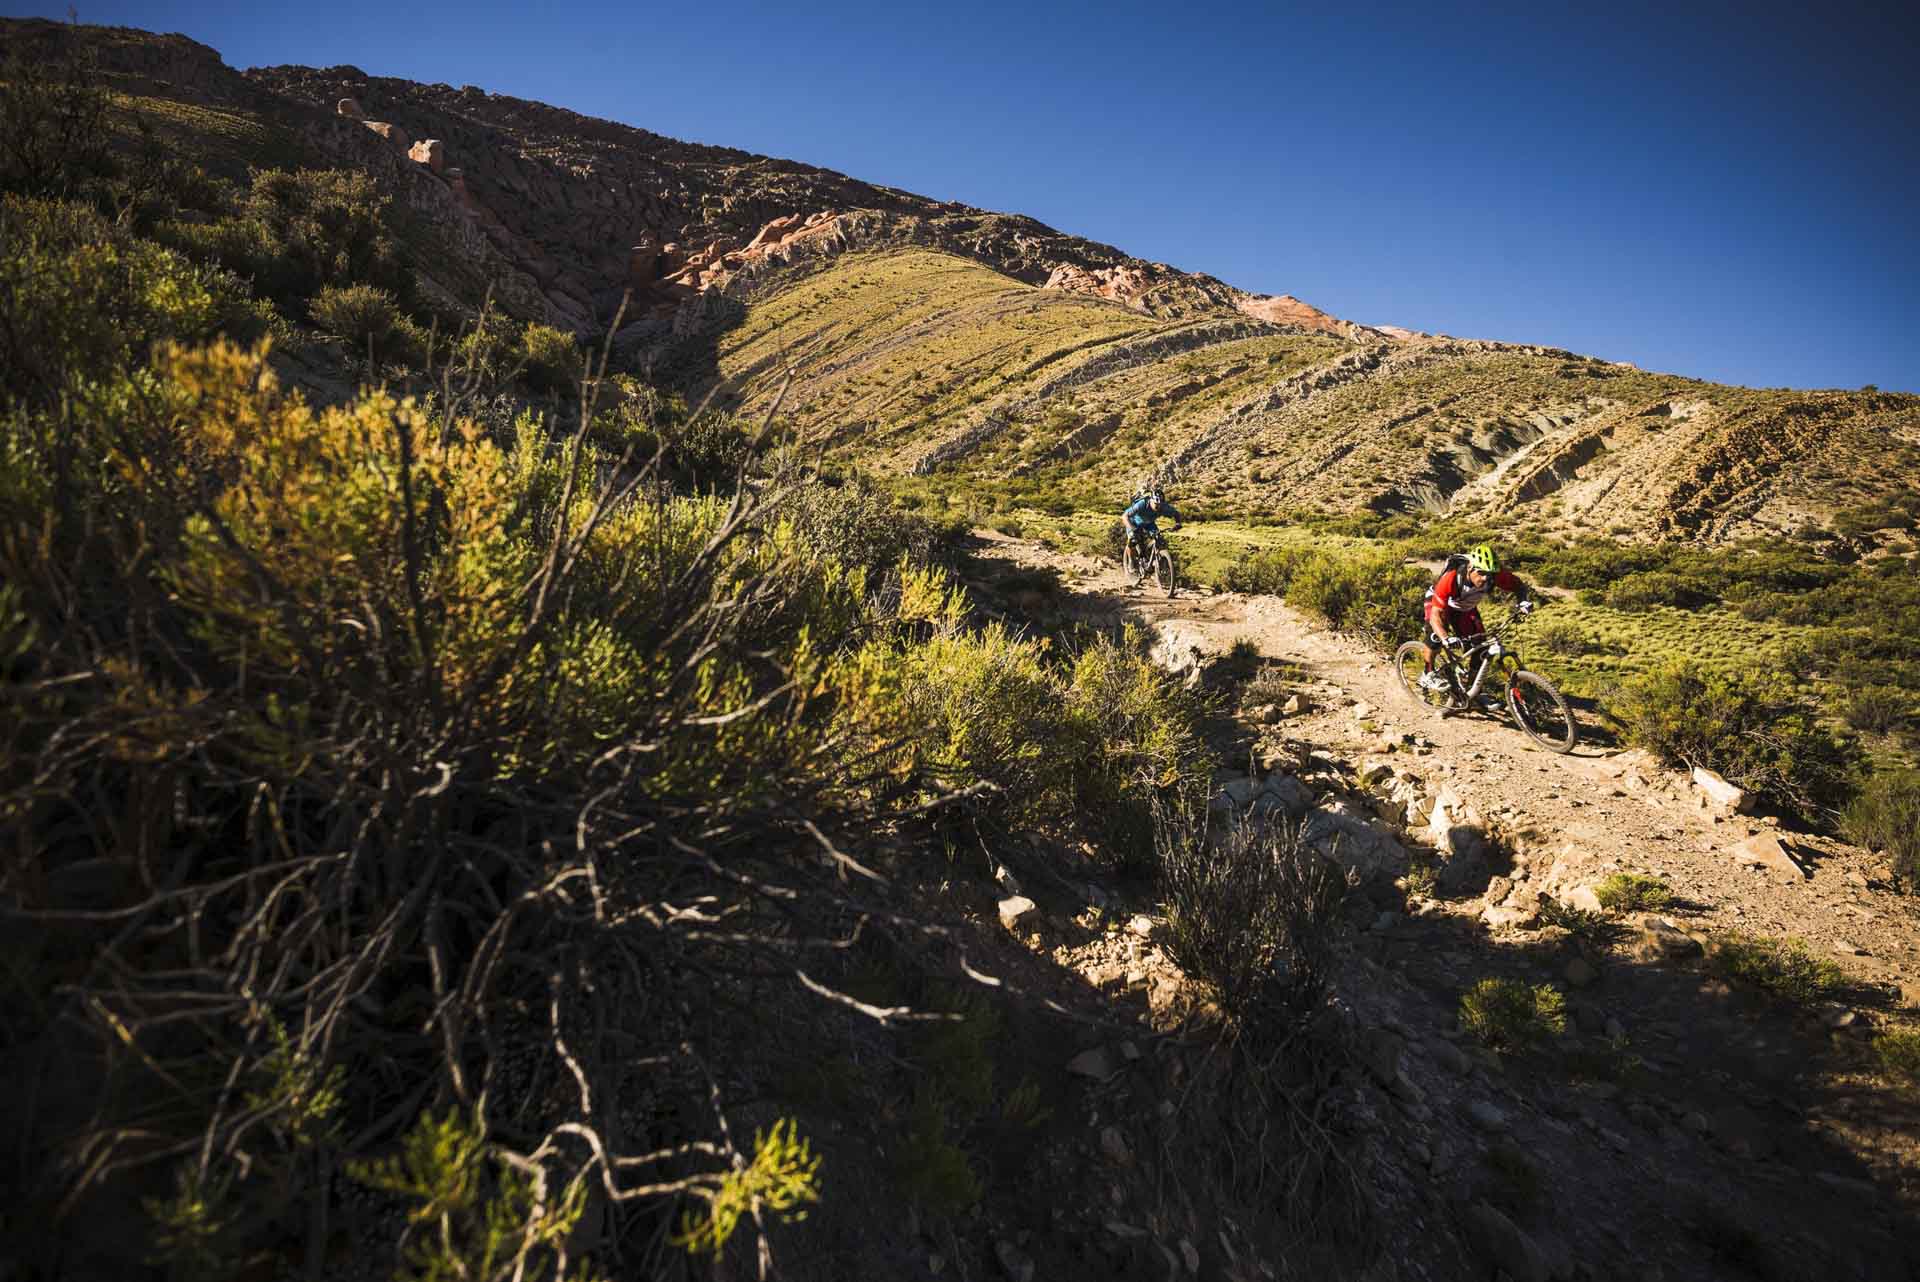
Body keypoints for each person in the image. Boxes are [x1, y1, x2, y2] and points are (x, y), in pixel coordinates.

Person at [1421, 543, 1532, 695]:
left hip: (1465, 608)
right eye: (1481, 573)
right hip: (1440, 604)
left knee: (1481, 648)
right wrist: (1446, 638)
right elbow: (1435, 615)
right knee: (1435, 637)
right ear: (1470, 568)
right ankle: (1427, 673)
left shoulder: (1495, 575)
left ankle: (1473, 690)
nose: (1485, 578)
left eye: (1489, 574)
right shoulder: (1451, 578)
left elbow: (1519, 586)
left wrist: (1523, 601)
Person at [1121, 486, 1182, 567]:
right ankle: (1131, 562)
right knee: (1133, 540)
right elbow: (1124, 516)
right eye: (1156, 504)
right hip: (1133, 522)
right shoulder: (1142, 504)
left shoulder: (1164, 507)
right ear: (1151, 500)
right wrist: (1132, 529)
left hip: (1149, 524)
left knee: (1159, 539)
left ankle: (1156, 561)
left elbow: (1176, 513)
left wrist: (1178, 523)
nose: (1158, 507)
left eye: (1160, 505)